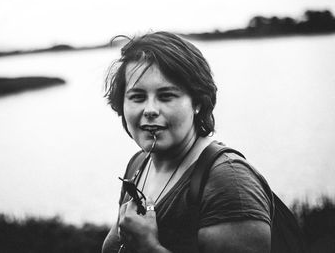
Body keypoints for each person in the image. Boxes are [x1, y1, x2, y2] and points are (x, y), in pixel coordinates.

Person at [102, 31, 272, 253]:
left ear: (198, 102)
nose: (150, 110)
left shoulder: (229, 182)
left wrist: (149, 248)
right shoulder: (138, 165)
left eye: (166, 96)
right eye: (137, 97)